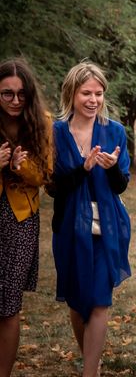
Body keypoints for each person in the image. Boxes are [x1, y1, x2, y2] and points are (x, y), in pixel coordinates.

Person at [49, 62, 131, 377]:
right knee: (76, 300)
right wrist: (81, 169)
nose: (93, 100)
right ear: (72, 93)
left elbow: (121, 184)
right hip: (69, 227)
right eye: (86, 93)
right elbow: (54, 188)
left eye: (98, 93)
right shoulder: (55, 132)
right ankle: (92, 366)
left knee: (99, 301)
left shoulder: (114, 131)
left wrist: (110, 167)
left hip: (107, 228)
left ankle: (89, 374)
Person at [0, 59, 53, 377]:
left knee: (7, 306)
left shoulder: (41, 121)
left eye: (22, 94)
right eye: (7, 94)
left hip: (20, 221)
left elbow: (45, 174)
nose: (15, 101)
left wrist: (21, 166)